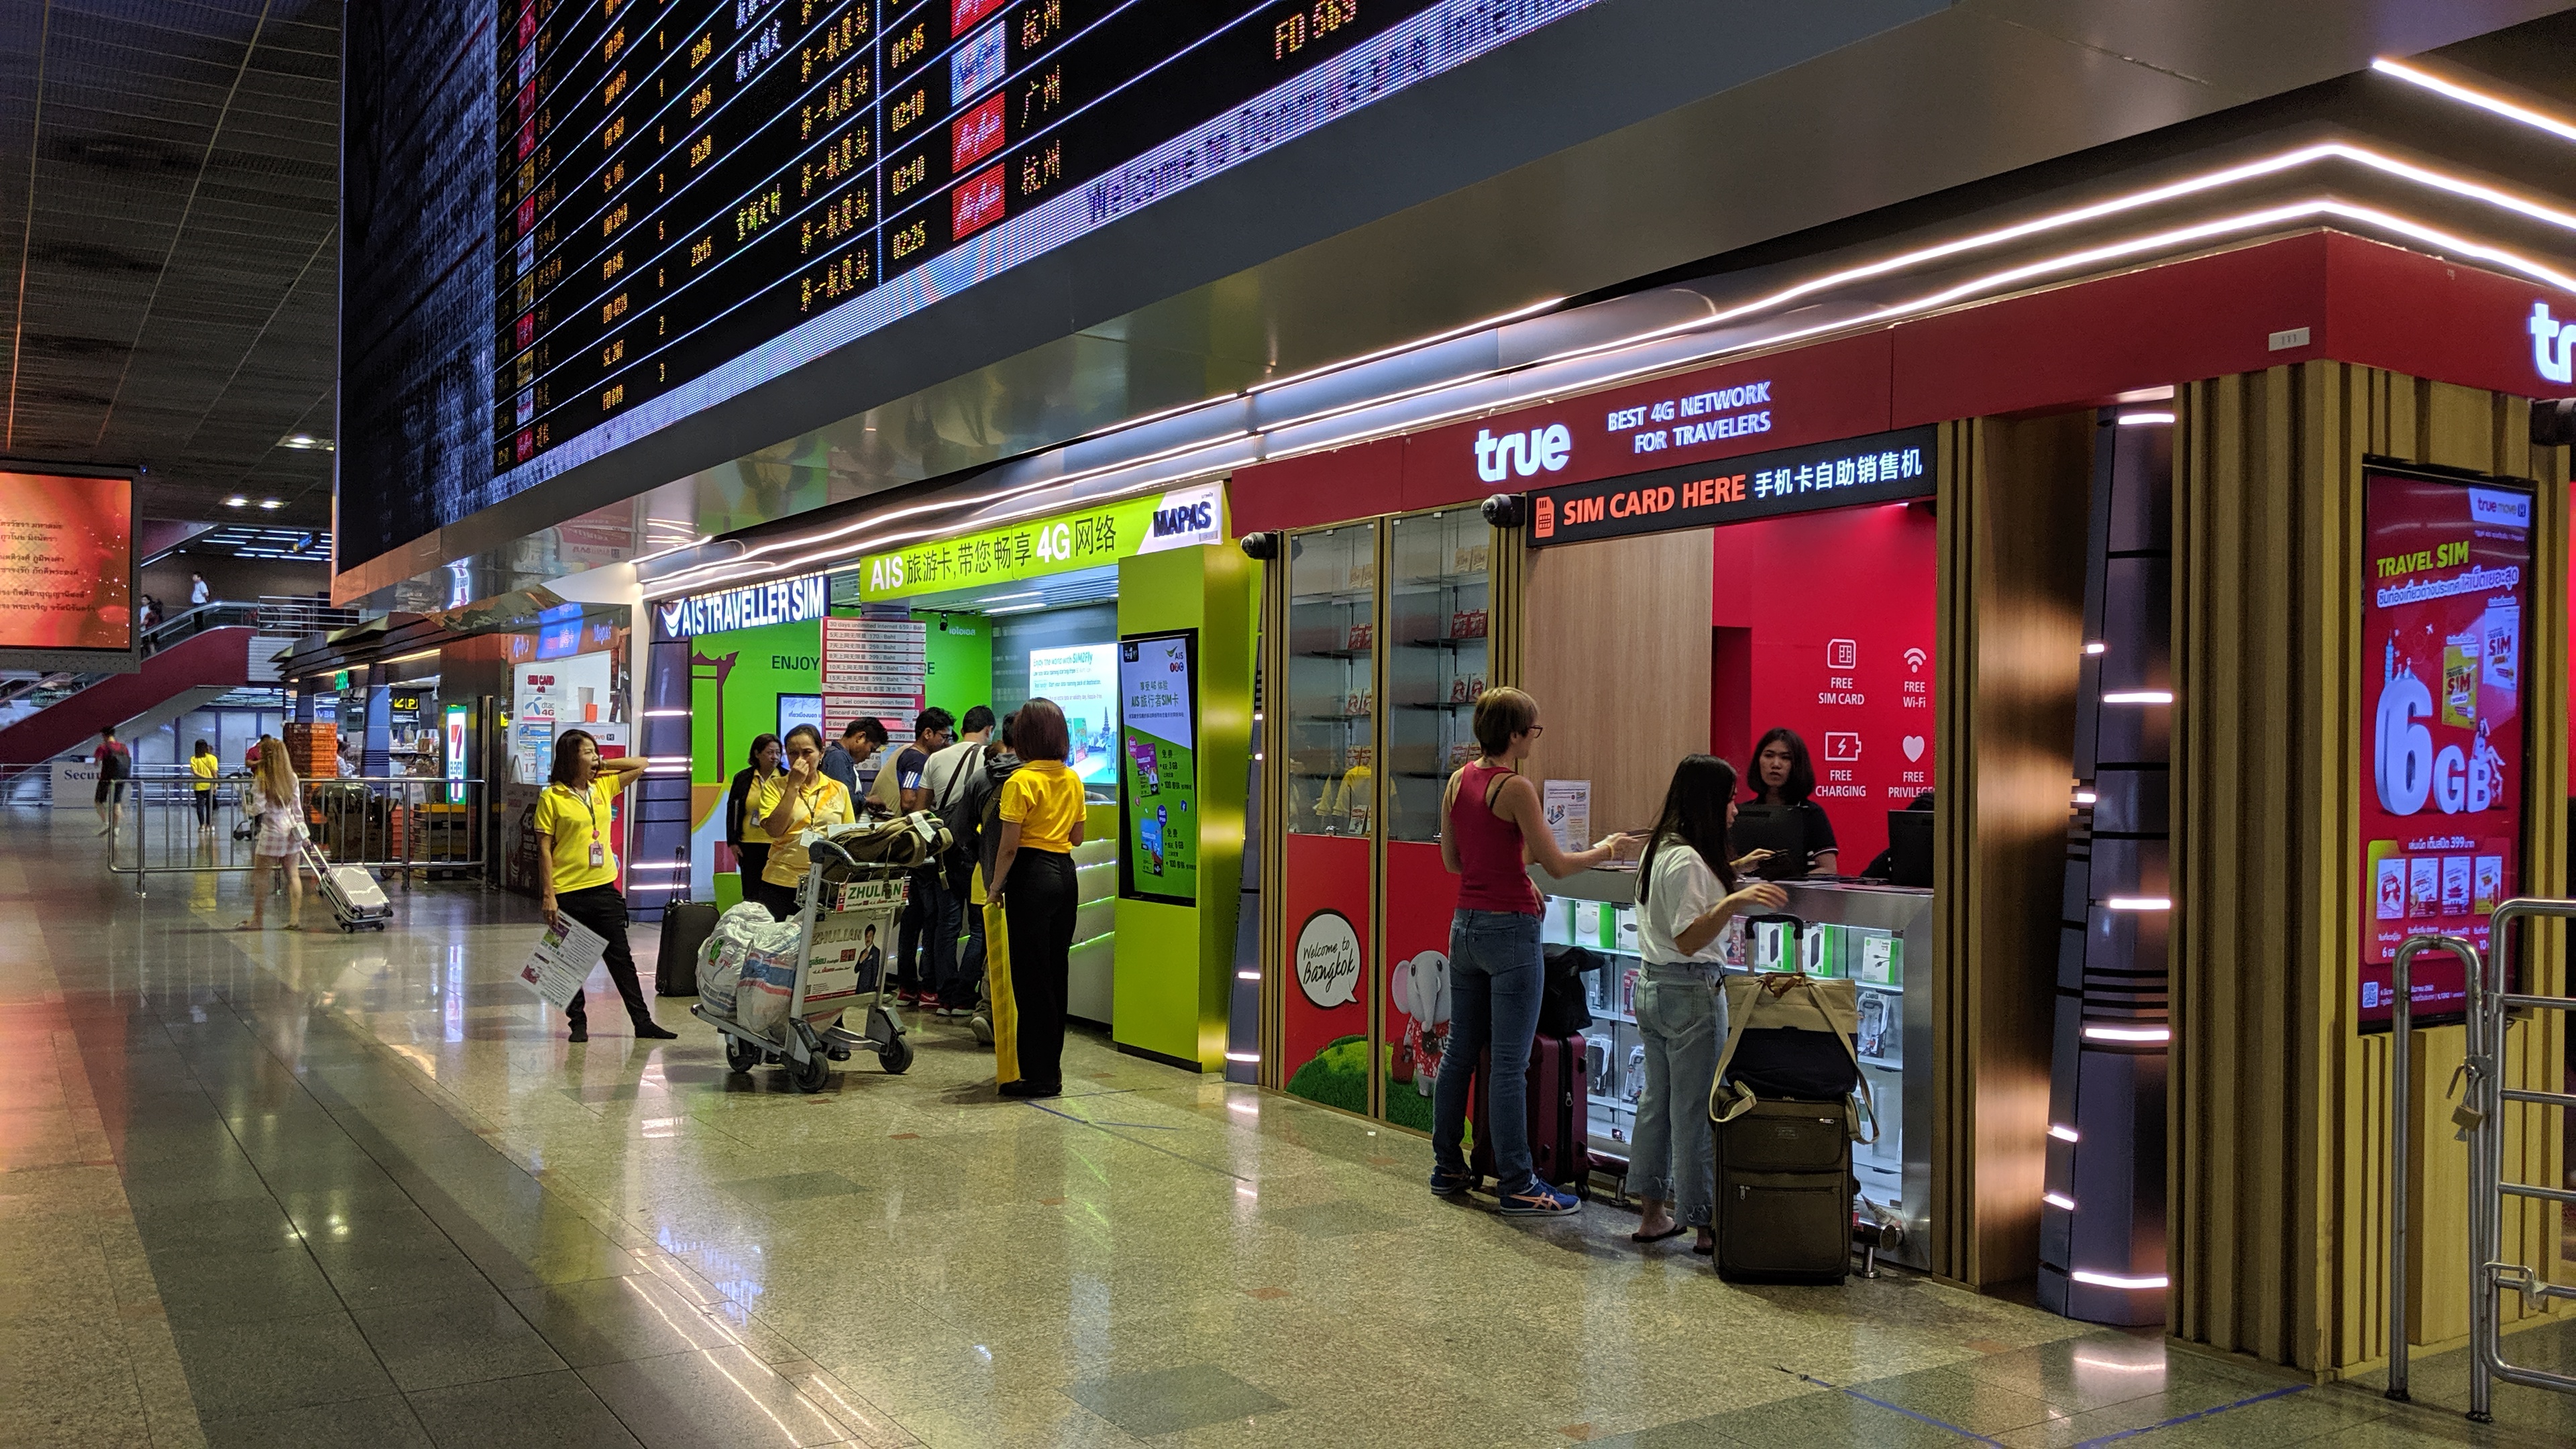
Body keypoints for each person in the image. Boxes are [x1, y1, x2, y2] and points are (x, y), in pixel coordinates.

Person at [1430, 687, 1641, 1215]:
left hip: (1465, 927)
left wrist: (1510, 875)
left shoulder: (1458, 781)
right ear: (1517, 734)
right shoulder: (1516, 787)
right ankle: (1519, 1181)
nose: (1534, 739)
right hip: (1511, 932)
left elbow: (1455, 862)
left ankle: (1447, 1165)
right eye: (1533, 730)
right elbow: (1559, 863)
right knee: (1508, 1062)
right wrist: (1609, 849)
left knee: (1460, 1051)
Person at [1629, 755, 1787, 1253]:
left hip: (1651, 989)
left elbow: (1681, 899)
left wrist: (1733, 872)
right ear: (1708, 802)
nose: (1736, 810)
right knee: (1696, 1109)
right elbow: (1692, 936)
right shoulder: (1690, 861)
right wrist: (1733, 901)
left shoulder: (1662, 848)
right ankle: (1703, 1224)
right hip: (1692, 992)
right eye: (1729, 799)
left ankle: (1652, 1214)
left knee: (1656, 1104)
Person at [534, 729, 672, 1043]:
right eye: (587, 753)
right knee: (568, 961)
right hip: (567, 890)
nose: (595, 757)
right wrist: (548, 895)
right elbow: (544, 848)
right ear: (570, 757)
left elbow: (642, 764)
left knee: (621, 957)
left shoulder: (603, 786)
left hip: (603, 886)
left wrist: (603, 764)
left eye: (596, 752)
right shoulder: (551, 797)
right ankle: (577, 1023)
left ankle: (643, 1022)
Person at [987, 699, 1085, 1098]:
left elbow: (1009, 847)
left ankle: (1039, 1075)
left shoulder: (1020, 782)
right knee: (1055, 974)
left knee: (1030, 978)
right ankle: (1052, 1070)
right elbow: (1077, 837)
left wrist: (995, 888)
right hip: (1065, 875)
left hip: (1030, 876)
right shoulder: (1072, 779)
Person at [924, 706, 996, 1018]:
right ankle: (965, 996)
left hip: (944, 850)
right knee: (980, 927)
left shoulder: (936, 758)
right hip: (976, 851)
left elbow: (923, 809)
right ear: (989, 730)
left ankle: (944, 995)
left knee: (946, 924)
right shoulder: (990, 760)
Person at [753, 723, 857, 922]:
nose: (800, 759)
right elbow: (774, 830)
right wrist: (793, 785)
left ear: (821, 753)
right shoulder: (775, 787)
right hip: (781, 880)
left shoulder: (838, 789)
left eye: (807, 752)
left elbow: (848, 836)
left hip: (824, 882)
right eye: (793, 753)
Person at [890, 708, 957, 1007]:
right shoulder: (918, 760)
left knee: (914, 919)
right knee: (929, 919)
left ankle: (908, 986)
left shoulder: (915, 758)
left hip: (915, 852)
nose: (947, 742)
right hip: (922, 853)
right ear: (927, 733)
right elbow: (908, 800)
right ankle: (926, 986)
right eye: (944, 736)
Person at [970, 712, 1024, 1082]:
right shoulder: (1053, 777)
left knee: (995, 948)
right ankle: (1020, 1026)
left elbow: (961, 830)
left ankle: (989, 1010)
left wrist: (991, 881)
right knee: (1032, 956)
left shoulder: (983, 778)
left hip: (990, 878)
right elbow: (1077, 836)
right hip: (1039, 882)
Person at [1741, 727, 1839, 878]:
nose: (1775, 764)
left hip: (1798, 898)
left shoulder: (1810, 813)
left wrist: (1791, 885)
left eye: (1785, 758)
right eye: (1769, 756)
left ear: (1797, 765)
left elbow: (1828, 870)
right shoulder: (1742, 812)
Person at [237, 737, 305, 931]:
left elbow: (258, 808)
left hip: (272, 831)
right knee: (293, 874)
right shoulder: (292, 777)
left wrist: (247, 807)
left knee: (261, 876)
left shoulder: (262, 778)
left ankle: (258, 920)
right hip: (292, 831)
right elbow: (297, 809)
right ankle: (294, 918)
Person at [724, 733, 783, 895]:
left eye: (778, 753)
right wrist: (732, 842)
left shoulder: (786, 778)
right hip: (749, 844)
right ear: (757, 754)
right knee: (751, 892)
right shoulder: (743, 778)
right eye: (770, 752)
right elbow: (732, 811)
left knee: (774, 893)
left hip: (778, 844)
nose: (775, 757)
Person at [819, 716, 886, 802]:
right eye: (871, 749)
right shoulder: (837, 757)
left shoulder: (842, 758)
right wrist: (868, 801)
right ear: (860, 737)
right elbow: (844, 800)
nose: (869, 756)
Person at [92, 727, 131, 835]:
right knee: (117, 802)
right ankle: (116, 829)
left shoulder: (103, 747)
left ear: (104, 735)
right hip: (121, 778)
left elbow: (97, 763)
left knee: (98, 802)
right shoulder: (123, 747)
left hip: (106, 778)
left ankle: (106, 823)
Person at [189, 739, 219, 830]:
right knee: (210, 806)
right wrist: (215, 784)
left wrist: (204, 777)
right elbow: (214, 773)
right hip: (210, 785)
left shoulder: (193, 759)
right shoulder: (212, 758)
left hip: (198, 786)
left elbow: (195, 772)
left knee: (200, 806)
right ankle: (209, 825)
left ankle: (202, 825)